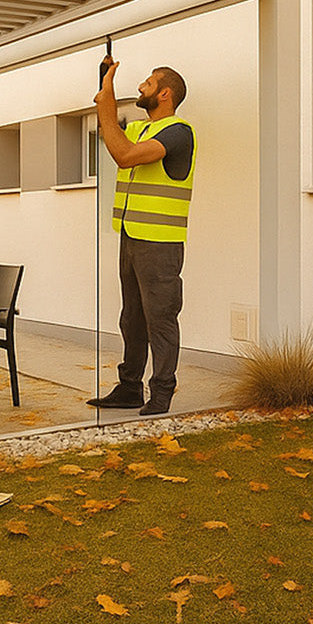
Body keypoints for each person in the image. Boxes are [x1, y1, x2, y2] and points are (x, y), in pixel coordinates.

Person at [87, 59, 196, 416]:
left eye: (147, 84)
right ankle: (129, 387)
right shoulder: (138, 129)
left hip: (160, 241)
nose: (140, 88)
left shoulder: (179, 132)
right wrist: (104, 82)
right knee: (131, 317)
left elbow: (124, 156)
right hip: (131, 236)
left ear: (164, 93)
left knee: (160, 318)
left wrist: (105, 108)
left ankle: (161, 392)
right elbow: (115, 136)